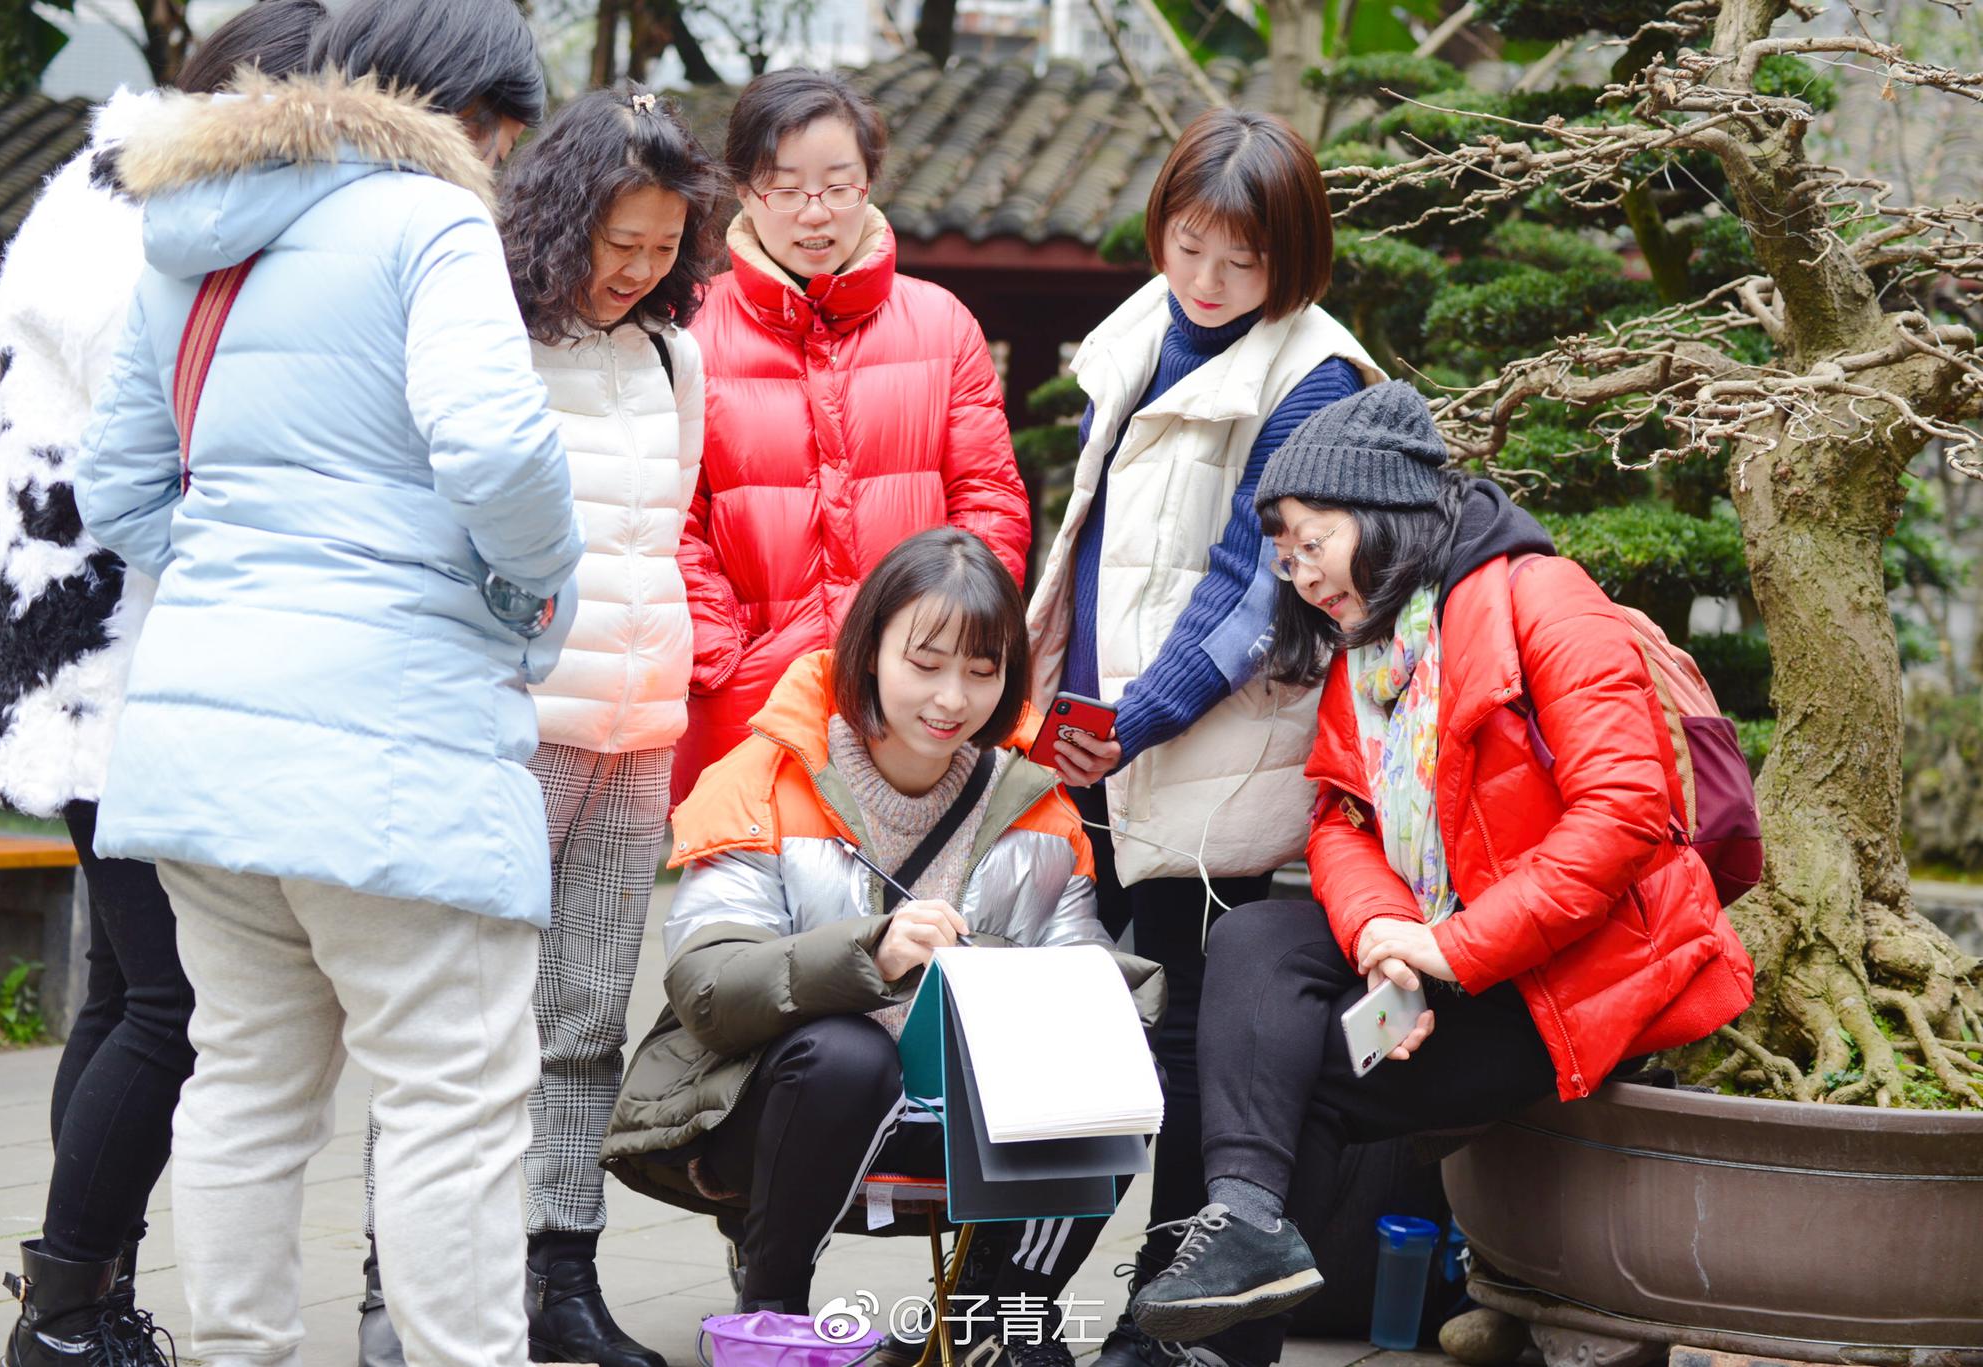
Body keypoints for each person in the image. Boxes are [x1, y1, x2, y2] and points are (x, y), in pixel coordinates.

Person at [71, 0, 581, 1363]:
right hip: (394, 736)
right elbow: (494, 448)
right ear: (470, 114)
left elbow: (115, 486)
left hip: (206, 741)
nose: (504, 161)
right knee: (452, 1095)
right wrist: (531, 588)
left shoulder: (196, 238)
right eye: (506, 133)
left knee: (243, 1079)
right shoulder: (432, 219)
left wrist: (244, 577)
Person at [1126, 382, 1756, 1355]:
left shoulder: (1542, 597)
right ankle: (1243, 1224)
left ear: (1381, 511)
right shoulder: (1371, 646)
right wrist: (1385, 935)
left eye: (1312, 542)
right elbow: (1338, 816)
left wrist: (1449, 948)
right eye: (1285, 554)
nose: (1300, 574)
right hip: (1442, 950)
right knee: (1254, 937)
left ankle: (1208, 1340)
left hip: (1567, 980)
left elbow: (1624, 812)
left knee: (1300, 1070)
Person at [0, 6, 326, 1364]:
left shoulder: (123, 190)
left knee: (124, 992)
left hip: (80, 651)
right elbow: (168, 429)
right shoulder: (134, 215)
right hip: (98, 653)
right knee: (174, 999)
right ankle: (66, 1308)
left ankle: (82, 1298)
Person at [352, 81, 723, 1367]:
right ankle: (399, 1286)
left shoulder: (673, 357)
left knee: (584, 1017)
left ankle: (559, 1273)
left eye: (664, 246)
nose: (639, 269)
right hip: (507, 726)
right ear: (561, 220)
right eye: (619, 242)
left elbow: (661, 534)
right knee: (455, 1020)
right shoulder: (487, 338)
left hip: (638, 726)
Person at [601, 529, 1162, 1367]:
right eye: (925, 663)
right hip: (765, 1112)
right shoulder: (765, 777)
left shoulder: (1039, 814)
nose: (952, 697)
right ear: (868, 654)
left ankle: (993, 1314)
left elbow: (1085, 977)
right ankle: (773, 1317)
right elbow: (708, 988)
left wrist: (1037, 984)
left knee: (1113, 1073)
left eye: (983, 670)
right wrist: (873, 951)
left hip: (962, 1121)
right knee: (846, 1052)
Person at [1021, 108, 1381, 1367]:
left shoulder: (1314, 375)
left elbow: (1252, 586)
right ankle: (1021, 1307)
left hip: (1211, 758)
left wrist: (1131, 721)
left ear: (1294, 255)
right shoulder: (1139, 326)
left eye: (1243, 259)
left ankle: (1163, 1320)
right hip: (1097, 743)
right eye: (1188, 246)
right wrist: (1059, 703)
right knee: (1075, 1023)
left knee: (1185, 1040)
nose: (1209, 280)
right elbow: (1090, 535)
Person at [674, 68, 1031, 801]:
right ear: (744, 190)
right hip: (753, 700)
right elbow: (667, 520)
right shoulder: (690, 333)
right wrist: (724, 656)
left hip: (918, 701)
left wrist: (951, 649)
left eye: (838, 186)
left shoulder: (941, 324)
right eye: (786, 188)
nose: (816, 214)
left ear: (868, 183)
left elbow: (989, 500)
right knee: (750, 873)